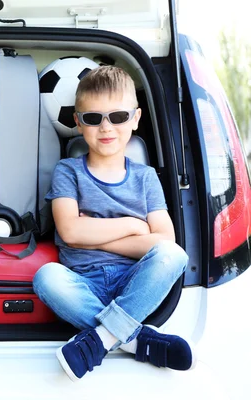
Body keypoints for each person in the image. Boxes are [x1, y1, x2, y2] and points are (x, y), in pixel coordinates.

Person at [33, 65, 195, 382]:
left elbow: (164, 241)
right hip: (85, 283)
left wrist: (89, 234)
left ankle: (103, 339)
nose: (106, 127)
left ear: (135, 118)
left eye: (118, 117)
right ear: (78, 123)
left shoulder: (145, 178)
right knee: (47, 277)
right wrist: (133, 225)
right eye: (93, 118)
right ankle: (138, 341)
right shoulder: (68, 171)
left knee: (174, 256)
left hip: (135, 282)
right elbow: (69, 231)